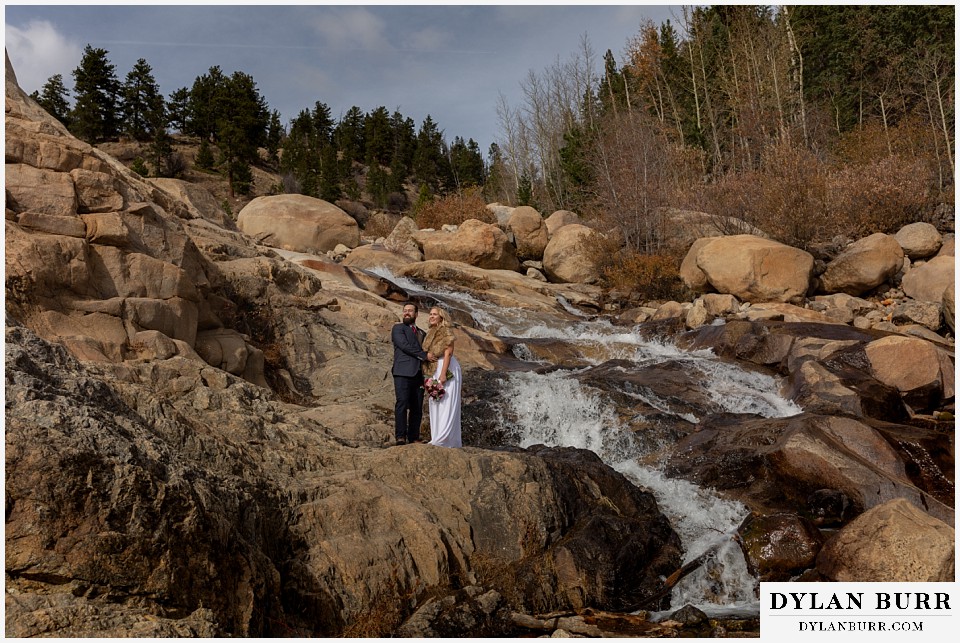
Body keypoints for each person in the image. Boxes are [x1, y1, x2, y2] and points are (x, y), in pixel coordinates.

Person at [421, 306, 462, 448]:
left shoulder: (446, 332)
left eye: (434, 314)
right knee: (436, 400)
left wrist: (443, 373)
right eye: (430, 314)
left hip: (446, 366)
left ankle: (445, 438)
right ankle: (437, 435)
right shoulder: (430, 332)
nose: (431, 316)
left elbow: (448, 353)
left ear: (441, 317)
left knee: (446, 401)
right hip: (435, 368)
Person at [391, 302, 431, 445]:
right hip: (403, 372)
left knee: (417, 407)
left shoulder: (422, 333)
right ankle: (400, 436)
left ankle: (414, 437)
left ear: (416, 314)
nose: (406, 313)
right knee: (402, 403)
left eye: (410, 311)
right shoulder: (398, 328)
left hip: (419, 374)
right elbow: (404, 346)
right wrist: (424, 355)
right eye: (405, 311)